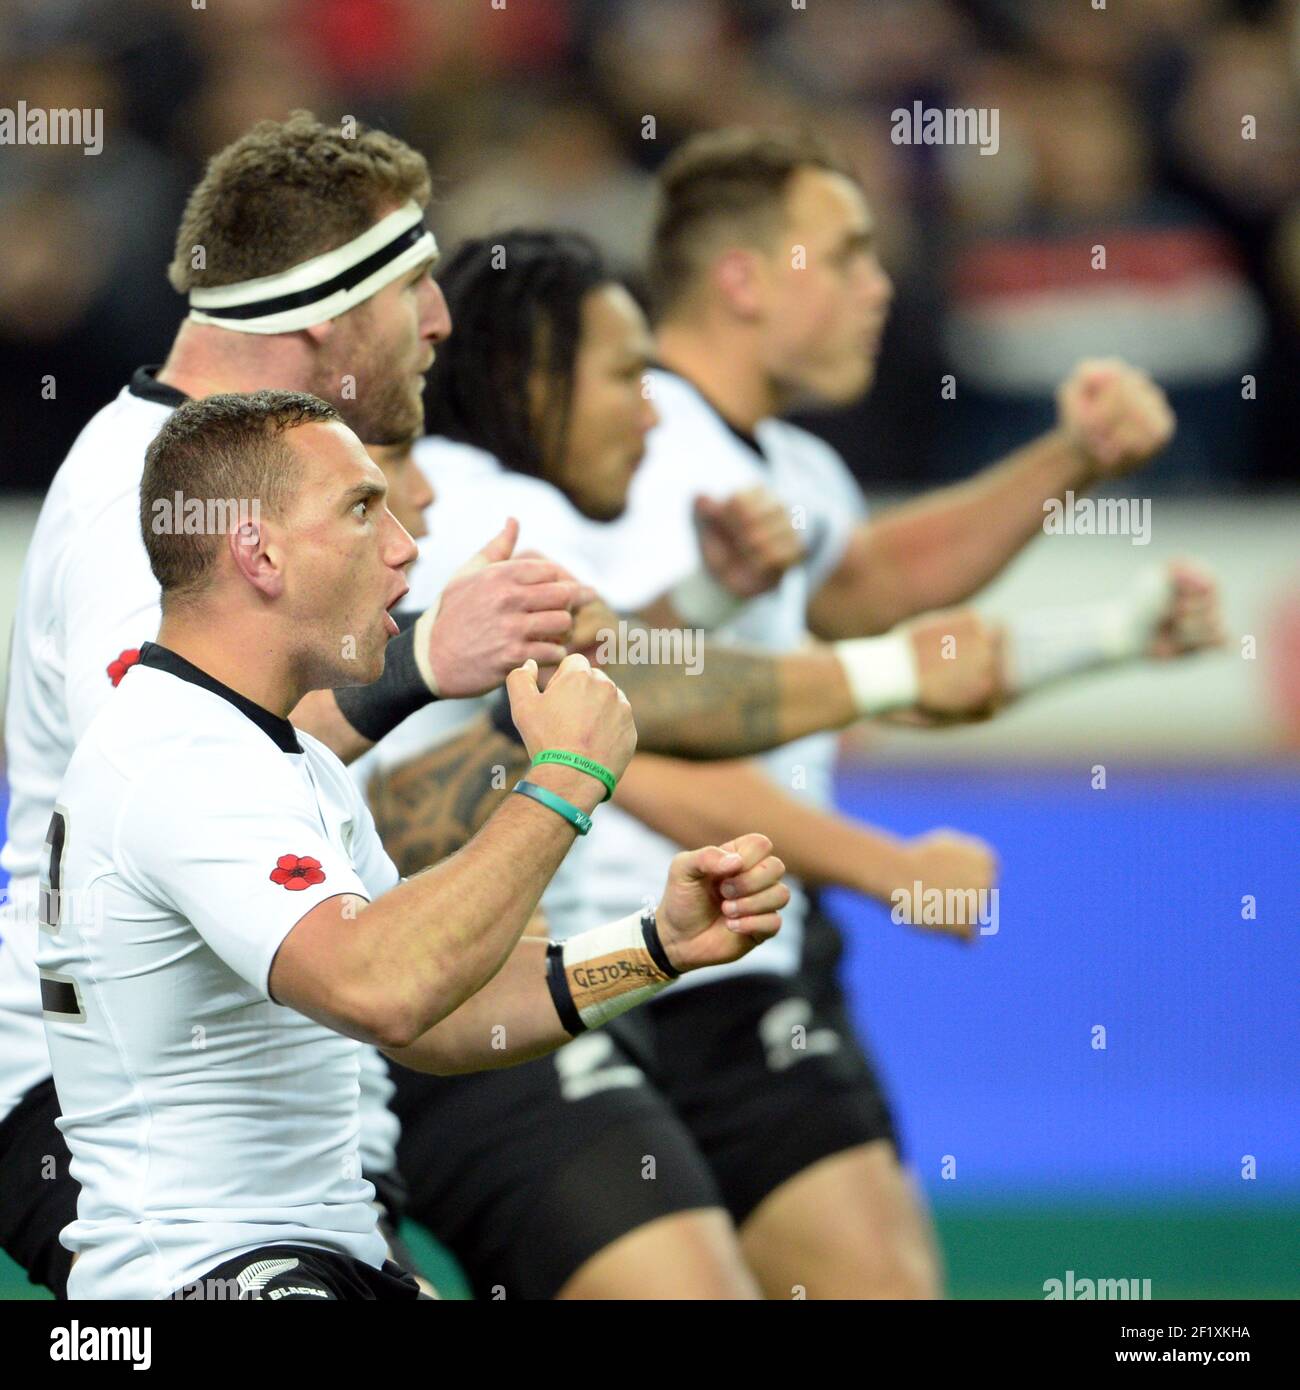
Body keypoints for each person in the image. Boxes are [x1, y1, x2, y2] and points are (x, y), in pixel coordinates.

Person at [361, 225, 1220, 1299]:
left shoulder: (775, 473)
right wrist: (879, 843)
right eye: (848, 252)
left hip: (598, 969)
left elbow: (838, 625)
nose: (879, 286)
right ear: (742, 270)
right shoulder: (499, 499)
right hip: (516, 992)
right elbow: (642, 723)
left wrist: (1094, 628)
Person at [38, 389, 789, 1301]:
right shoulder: (175, 757)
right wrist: (560, 782)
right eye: (361, 508)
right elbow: (381, 989)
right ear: (257, 551)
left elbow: (441, 1013)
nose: (403, 546)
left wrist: (654, 944)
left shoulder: (285, 758)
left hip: (314, 1259)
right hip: (207, 1277)